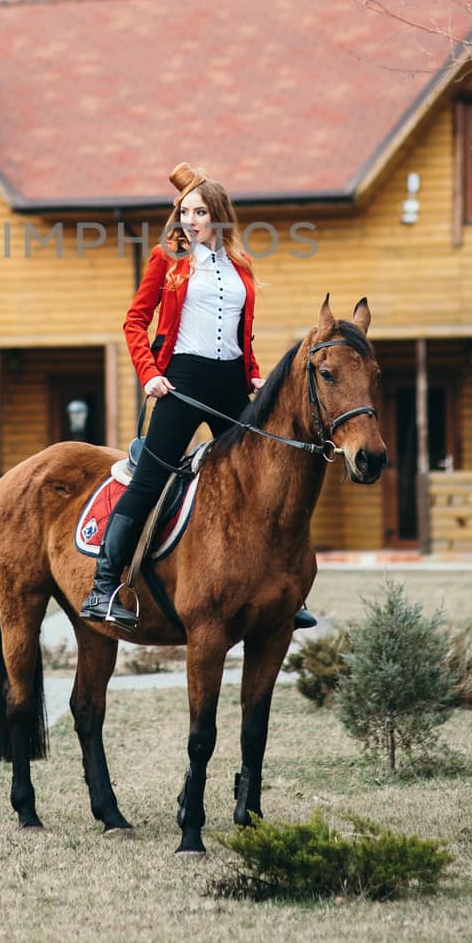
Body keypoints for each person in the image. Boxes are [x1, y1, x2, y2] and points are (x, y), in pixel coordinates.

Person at [80, 160, 317, 631]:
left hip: (231, 382)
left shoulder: (241, 266)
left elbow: (240, 333)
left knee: (262, 477)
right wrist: (149, 373)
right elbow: (134, 322)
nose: (190, 220)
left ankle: (280, 588)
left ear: (219, 216)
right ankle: (104, 587)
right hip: (181, 381)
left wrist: (251, 375)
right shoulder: (168, 261)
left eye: (200, 212)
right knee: (150, 478)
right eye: (185, 211)